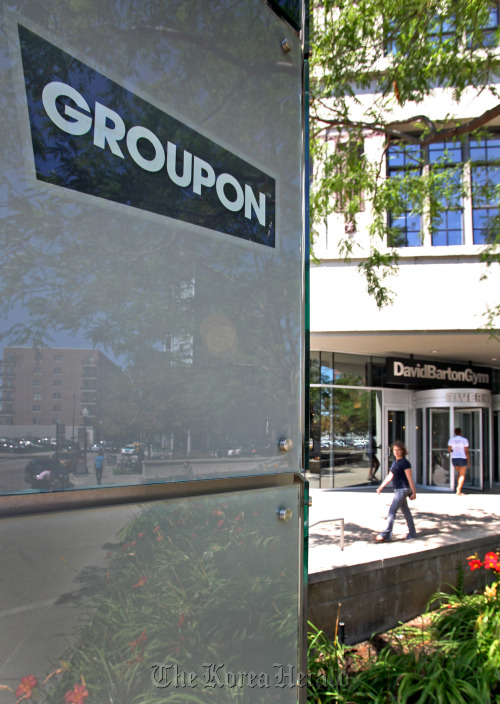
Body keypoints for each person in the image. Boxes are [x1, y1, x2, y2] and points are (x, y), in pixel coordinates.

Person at [375, 440, 417, 542]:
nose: (396, 452)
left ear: (402, 451)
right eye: (394, 450)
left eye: (398, 450)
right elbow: (390, 476)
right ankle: (412, 533)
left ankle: (385, 533)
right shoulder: (395, 462)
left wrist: (414, 492)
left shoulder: (405, 463)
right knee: (406, 512)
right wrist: (381, 486)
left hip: (403, 490)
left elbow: (410, 478)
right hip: (398, 490)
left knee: (392, 511)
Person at [448, 427, 470, 496]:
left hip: (454, 458)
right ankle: (458, 490)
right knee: (462, 475)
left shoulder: (452, 440)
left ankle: (458, 487)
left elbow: (449, 449)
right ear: (461, 432)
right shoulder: (464, 440)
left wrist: (453, 451)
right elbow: (466, 451)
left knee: (459, 473)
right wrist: (468, 461)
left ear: (455, 432)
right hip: (462, 458)